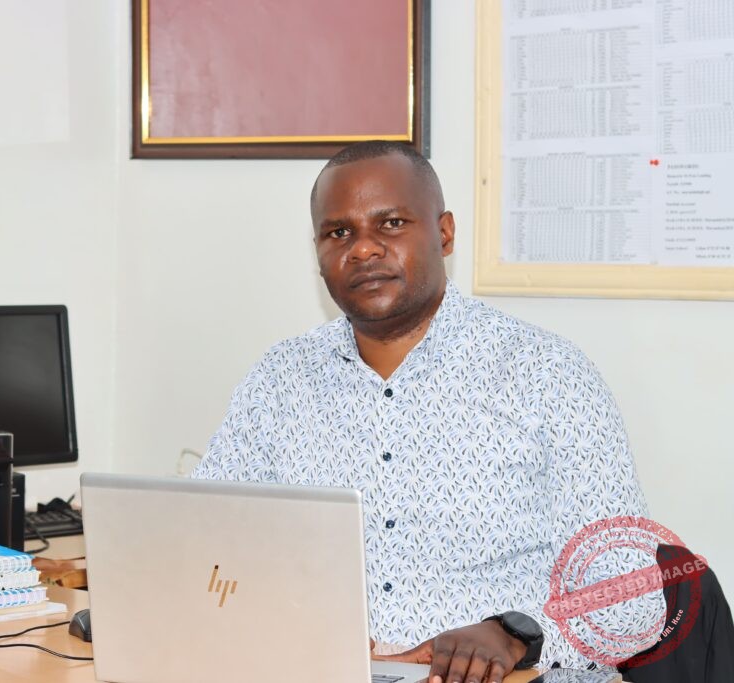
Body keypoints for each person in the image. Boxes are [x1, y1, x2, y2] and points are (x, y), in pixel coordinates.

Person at [193, 140, 661, 683]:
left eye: (391, 224)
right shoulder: (279, 381)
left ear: (444, 233)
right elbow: (207, 547)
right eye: (338, 232)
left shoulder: (546, 374)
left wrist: (516, 635)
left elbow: (632, 596)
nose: (362, 249)